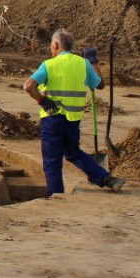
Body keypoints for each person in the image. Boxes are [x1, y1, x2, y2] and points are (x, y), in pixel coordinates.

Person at [23, 28, 125, 196]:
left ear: (55, 45)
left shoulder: (49, 64)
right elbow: (99, 85)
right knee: (73, 152)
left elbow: (28, 86)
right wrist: (93, 62)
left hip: (52, 119)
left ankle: (56, 196)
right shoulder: (83, 63)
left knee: (52, 160)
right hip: (73, 120)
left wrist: (43, 101)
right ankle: (106, 179)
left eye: (51, 45)